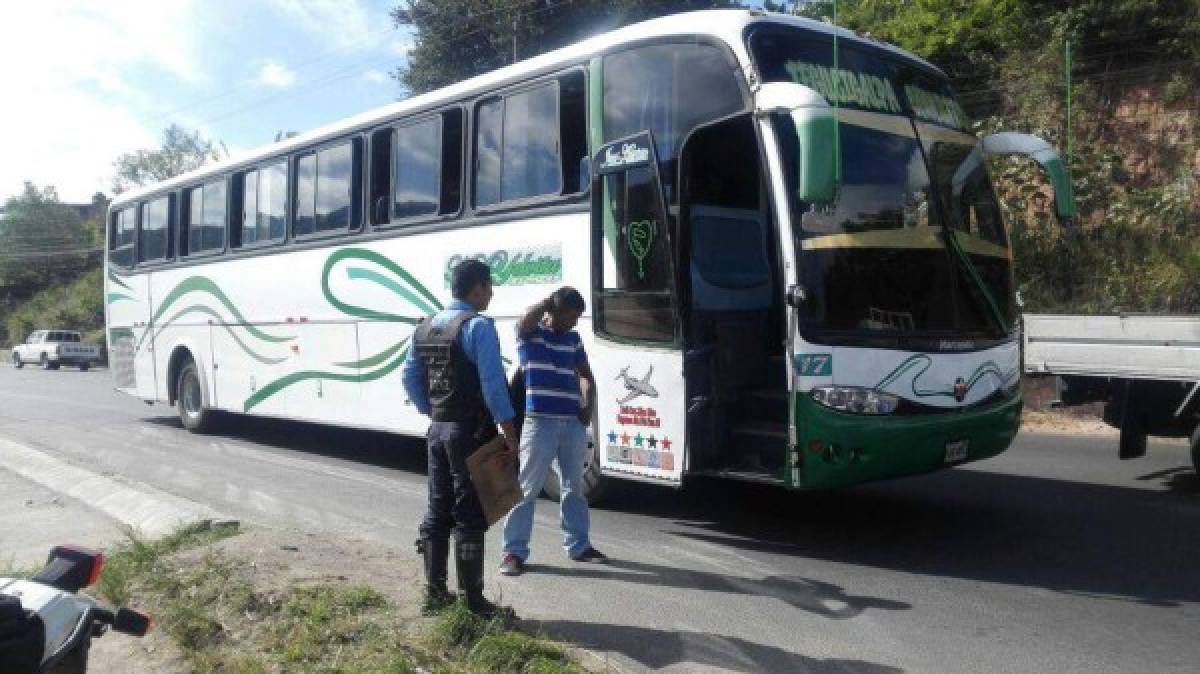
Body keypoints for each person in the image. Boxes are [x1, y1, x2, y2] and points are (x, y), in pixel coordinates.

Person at [402, 259, 519, 617]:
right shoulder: (478, 327)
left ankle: (435, 594)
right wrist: (510, 433)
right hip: (468, 431)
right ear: (477, 289)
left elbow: (409, 378)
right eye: (489, 286)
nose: (492, 293)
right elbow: (493, 386)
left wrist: (431, 410)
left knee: (439, 509)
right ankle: (474, 603)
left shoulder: (423, 328)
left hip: (437, 429)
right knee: (469, 513)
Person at [499, 287, 607, 576]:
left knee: (574, 488)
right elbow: (523, 321)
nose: (574, 322)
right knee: (526, 489)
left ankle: (579, 546)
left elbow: (585, 375)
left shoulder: (573, 340)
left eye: (577, 317)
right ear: (554, 311)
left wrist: (588, 401)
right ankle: (513, 552)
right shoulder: (530, 335)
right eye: (571, 315)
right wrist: (548, 302)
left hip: (571, 423)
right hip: (540, 422)